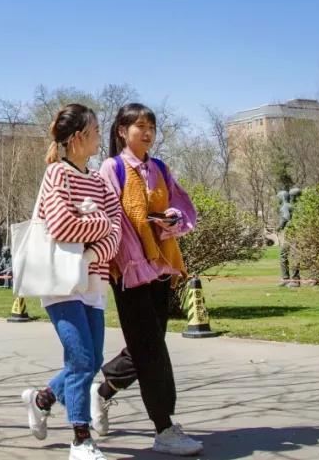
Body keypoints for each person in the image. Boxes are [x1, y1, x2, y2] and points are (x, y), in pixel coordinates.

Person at [90, 103, 203, 456]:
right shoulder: (112, 168)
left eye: (151, 125)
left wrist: (172, 218)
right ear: (122, 131)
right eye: (140, 126)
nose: (148, 132)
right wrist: (132, 260)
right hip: (131, 270)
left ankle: (102, 390)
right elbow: (113, 220)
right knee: (152, 349)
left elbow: (184, 208)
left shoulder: (160, 168)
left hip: (161, 268)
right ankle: (164, 427)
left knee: (146, 345)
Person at [21, 104, 122, 460]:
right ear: (79, 137)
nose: (100, 136)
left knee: (91, 360)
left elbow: (117, 229)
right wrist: (99, 224)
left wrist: (93, 246)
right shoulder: (57, 176)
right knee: (80, 360)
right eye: (95, 130)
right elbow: (63, 225)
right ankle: (80, 439)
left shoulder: (98, 181)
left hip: (92, 282)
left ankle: (42, 399)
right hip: (60, 282)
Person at [277, 188, 302, 287]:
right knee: (285, 255)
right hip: (294, 233)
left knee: (291, 256)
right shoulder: (294, 206)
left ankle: (294, 280)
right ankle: (286, 279)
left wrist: (279, 227)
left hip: (292, 234)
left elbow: (286, 217)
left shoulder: (285, 206)